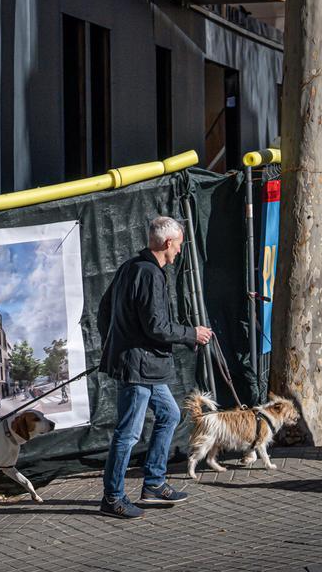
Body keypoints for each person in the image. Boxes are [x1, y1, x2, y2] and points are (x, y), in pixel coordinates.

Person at [97, 216, 213, 519]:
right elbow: (157, 327)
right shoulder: (149, 274)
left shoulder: (129, 268)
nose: (178, 252)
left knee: (170, 414)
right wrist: (193, 334)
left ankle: (154, 483)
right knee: (129, 433)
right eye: (178, 246)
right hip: (140, 368)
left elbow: (104, 310)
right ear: (167, 243)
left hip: (144, 364)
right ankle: (113, 497)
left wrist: (118, 342)